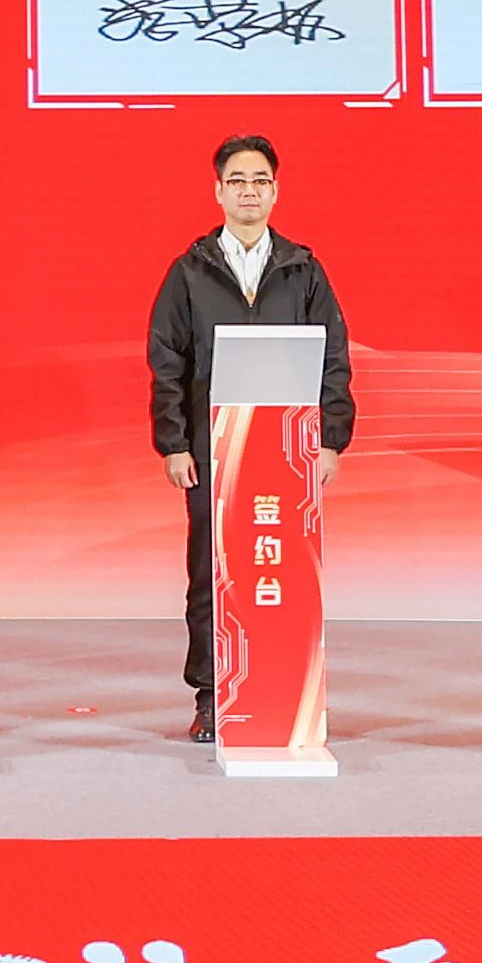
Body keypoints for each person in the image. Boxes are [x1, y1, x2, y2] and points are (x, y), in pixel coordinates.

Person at [142, 132, 355, 744]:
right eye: (237, 181)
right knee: (212, 573)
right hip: (215, 451)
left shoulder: (303, 269)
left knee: (283, 568)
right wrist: (175, 443)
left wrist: (329, 439)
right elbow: (167, 361)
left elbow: (333, 358)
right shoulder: (190, 271)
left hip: (288, 449)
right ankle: (213, 694)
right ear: (218, 191)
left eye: (260, 181)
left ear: (276, 191)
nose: (249, 191)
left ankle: (284, 684)